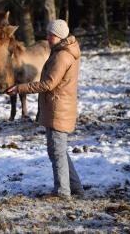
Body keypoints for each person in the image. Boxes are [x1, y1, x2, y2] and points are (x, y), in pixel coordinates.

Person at [7, 19, 84, 198]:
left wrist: (20, 88)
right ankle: (75, 187)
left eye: (51, 35)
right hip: (57, 107)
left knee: (56, 151)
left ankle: (62, 192)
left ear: (59, 36)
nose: (48, 38)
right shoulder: (61, 52)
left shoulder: (62, 56)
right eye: (48, 34)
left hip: (59, 108)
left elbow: (48, 84)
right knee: (58, 150)